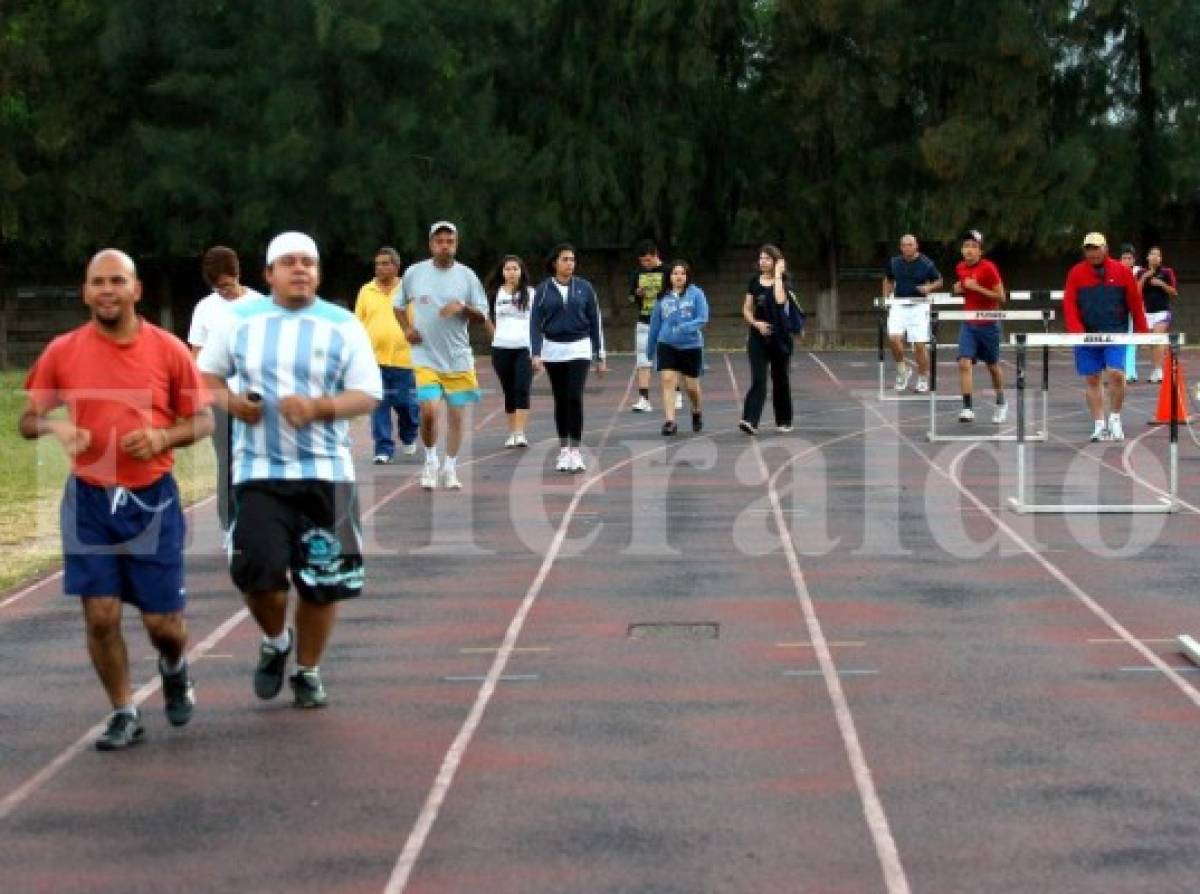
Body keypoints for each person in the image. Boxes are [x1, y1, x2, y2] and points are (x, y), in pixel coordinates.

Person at [20, 249, 214, 750]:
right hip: (90, 500)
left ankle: (174, 667)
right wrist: (56, 424)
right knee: (100, 614)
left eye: (116, 281)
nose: (106, 290)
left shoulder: (168, 349)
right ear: (85, 292)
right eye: (97, 282)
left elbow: (203, 421)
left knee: (162, 625)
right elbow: (27, 420)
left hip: (151, 501)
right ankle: (124, 710)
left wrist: (162, 439)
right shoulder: (63, 350)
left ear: (136, 289)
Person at [198, 232, 381, 708]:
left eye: (308, 263)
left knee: (323, 584)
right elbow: (208, 376)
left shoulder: (341, 324)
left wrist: (321, 407)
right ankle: (276, 640)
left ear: (317, 272)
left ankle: (307, 669)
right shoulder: (238, 321)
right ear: (268, 273)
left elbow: (368, 392)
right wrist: (234, 404)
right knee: (259, 575)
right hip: (258, 471)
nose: (300, 269)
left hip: (327, 473)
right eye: (289, 262)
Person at [396, 221, 490, 490]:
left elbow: (482, 315)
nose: (444, 246)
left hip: (457, 357)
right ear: (430, 245)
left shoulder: (467, 277)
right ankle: (430, 460)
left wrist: (463, 308)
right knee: (429, 411)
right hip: (425, 355)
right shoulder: (415, 273)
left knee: (457, 417)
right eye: (439, 241)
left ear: (456, 245)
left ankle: (450, 467)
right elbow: (398, 306)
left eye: (449, 241)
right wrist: (407, 329)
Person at [188, 246, 264, 531]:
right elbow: (196, 354)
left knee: (256, 459)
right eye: (218, 289)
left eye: (228, 286)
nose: (225, 292)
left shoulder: (260, 305)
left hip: (254, 395)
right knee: (227, 461)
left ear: (238, 274)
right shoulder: (205, 309)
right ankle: (229, 523)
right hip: (219, 397)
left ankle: (257, 518)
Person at [1063, 232, 1149, 442]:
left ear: (1106, 248)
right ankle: (1099, 424)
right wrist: (1077, 331)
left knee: (1116, 374)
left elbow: (1135, 303)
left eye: (1096, 248)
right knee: (1092, 378)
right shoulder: (1076, 273)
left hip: (1115, 332)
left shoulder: (1121, 271)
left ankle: (1115, 419)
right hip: (1087, 335)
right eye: (1088, 248)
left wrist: (1143, 331)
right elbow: (1069, 304)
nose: (1092, 252)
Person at [530, 243, 607, 472]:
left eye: (572, 259)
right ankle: (564, 449)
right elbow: (534, 323)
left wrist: (599, 355)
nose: (569, 264)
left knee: (575, 396)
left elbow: (595, 321)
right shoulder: (543, 290)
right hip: (553, 348)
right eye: (565, 259)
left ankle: (575, 450)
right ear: (555, 262)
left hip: (580, 348)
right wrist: (536, 353)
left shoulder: (585, 288)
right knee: (561, 399)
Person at [355, 246, 419, 464]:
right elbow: (358, 324)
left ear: (396, 266)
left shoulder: (408, 291)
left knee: (406, 405)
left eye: (385, 263)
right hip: (374, 361)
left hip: (405, 360)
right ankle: (383, 449)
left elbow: (417, 322)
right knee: (379, 405)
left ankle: (409, 435)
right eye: (377, 264)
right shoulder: (366, 291)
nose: (380, 268)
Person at [739, 244, 797, 435]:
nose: (762, 261)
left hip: (780, 337)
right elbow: (746, 309)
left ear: (776, 261)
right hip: (758, 336)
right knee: (759, 378)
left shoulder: (784, 282)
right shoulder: (754, 282)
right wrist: (756, 324)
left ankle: (784, 420)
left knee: (780, 378)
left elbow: (780, 301)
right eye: (761, 258)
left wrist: (779, 275)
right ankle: (749, 421)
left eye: (767, 258)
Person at [645, 260, 708, 435]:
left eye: (682, 273)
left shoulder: (696, 294)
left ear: (687, 276)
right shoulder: (663, 297)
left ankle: (696, 410)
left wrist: (686, 327)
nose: (678, 276)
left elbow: (703, 318)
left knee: (691, 387)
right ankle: (670, 421)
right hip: (667, 344)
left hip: (691, 346)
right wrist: (649, 351)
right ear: (669, 277)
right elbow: (655, 325)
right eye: (675, 273)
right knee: (667, 380)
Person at [952, 230, 1007, 424]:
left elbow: (1001, 297)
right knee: (964, 362)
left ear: (980, 251)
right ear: (962, 249)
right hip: (969, 323)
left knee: (992, 366)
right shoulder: (960, 267)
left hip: (989, 323)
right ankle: (967, 408)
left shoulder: (989, 268)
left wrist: (977, 288)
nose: (969, 250)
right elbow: (962, 287)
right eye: (966, 246)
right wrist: (957, 289)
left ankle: (1001, 403)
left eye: (974, 247)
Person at [883, 234, 943, 392]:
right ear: (900, 247)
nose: (907, 248)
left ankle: (923, 377)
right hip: (898, 305)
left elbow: (939, 281)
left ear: (916, 246)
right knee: (894, 339)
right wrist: (886, 299)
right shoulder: (894, 262)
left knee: (919, 346)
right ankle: (903, 372)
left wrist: (928, 288)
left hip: (919, 307)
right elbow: (888, 280)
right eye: (904, 245)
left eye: (910, 245)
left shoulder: (926, 264)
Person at [488, 255, 535, 448]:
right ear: (502, 272)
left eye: (515, 268)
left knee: (521, 389)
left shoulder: (531, 293)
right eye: (507, 269)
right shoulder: (494, 293)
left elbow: (539, 319)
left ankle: (520, 432)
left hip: (524, 348)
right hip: (501, 348)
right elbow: (485, 317)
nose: (511, 272)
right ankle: (511, 433)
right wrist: (495, 336)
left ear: (521, 271)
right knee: (509, 391)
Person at [627, 240, 673, 412]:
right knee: (642, 359)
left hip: (666, 322)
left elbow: (678, 293)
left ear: (656, 255)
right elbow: (630, 298)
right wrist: (636, 294)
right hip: (644, 320)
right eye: (642, 261)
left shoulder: (668, 271)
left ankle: (675, 392)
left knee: (668, 358)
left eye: (648, 260)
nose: (645, 264)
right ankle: (644, 398)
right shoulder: (637, 273)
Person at [1139, 246, 1178, 384]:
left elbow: (1174, 292)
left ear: (1161, 258)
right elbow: (1136, 292)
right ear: (1148, 257)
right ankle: (1156, 369)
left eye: (1158, 255)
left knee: (1157, 337)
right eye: (1152, 254)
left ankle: (1158, 370)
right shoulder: (1141, 272)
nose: (1155, 257)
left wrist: (1161, 283)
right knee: (1152, 343)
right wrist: (1144, 277)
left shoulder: (1167, 272)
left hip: (1162, 311)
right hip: (1147, 313)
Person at [1117, 244, 1142, 382]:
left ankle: (1131, 372)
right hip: (1117, 312)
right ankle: (1119, 371)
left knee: (1131, 341)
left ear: (1134, 260)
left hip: (1132, 312)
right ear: (1120, 259)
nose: (1127, 260)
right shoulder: (1115, 271)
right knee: (1117, 342)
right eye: (1124, 258)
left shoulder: (1139, 272)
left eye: (1130, 258)